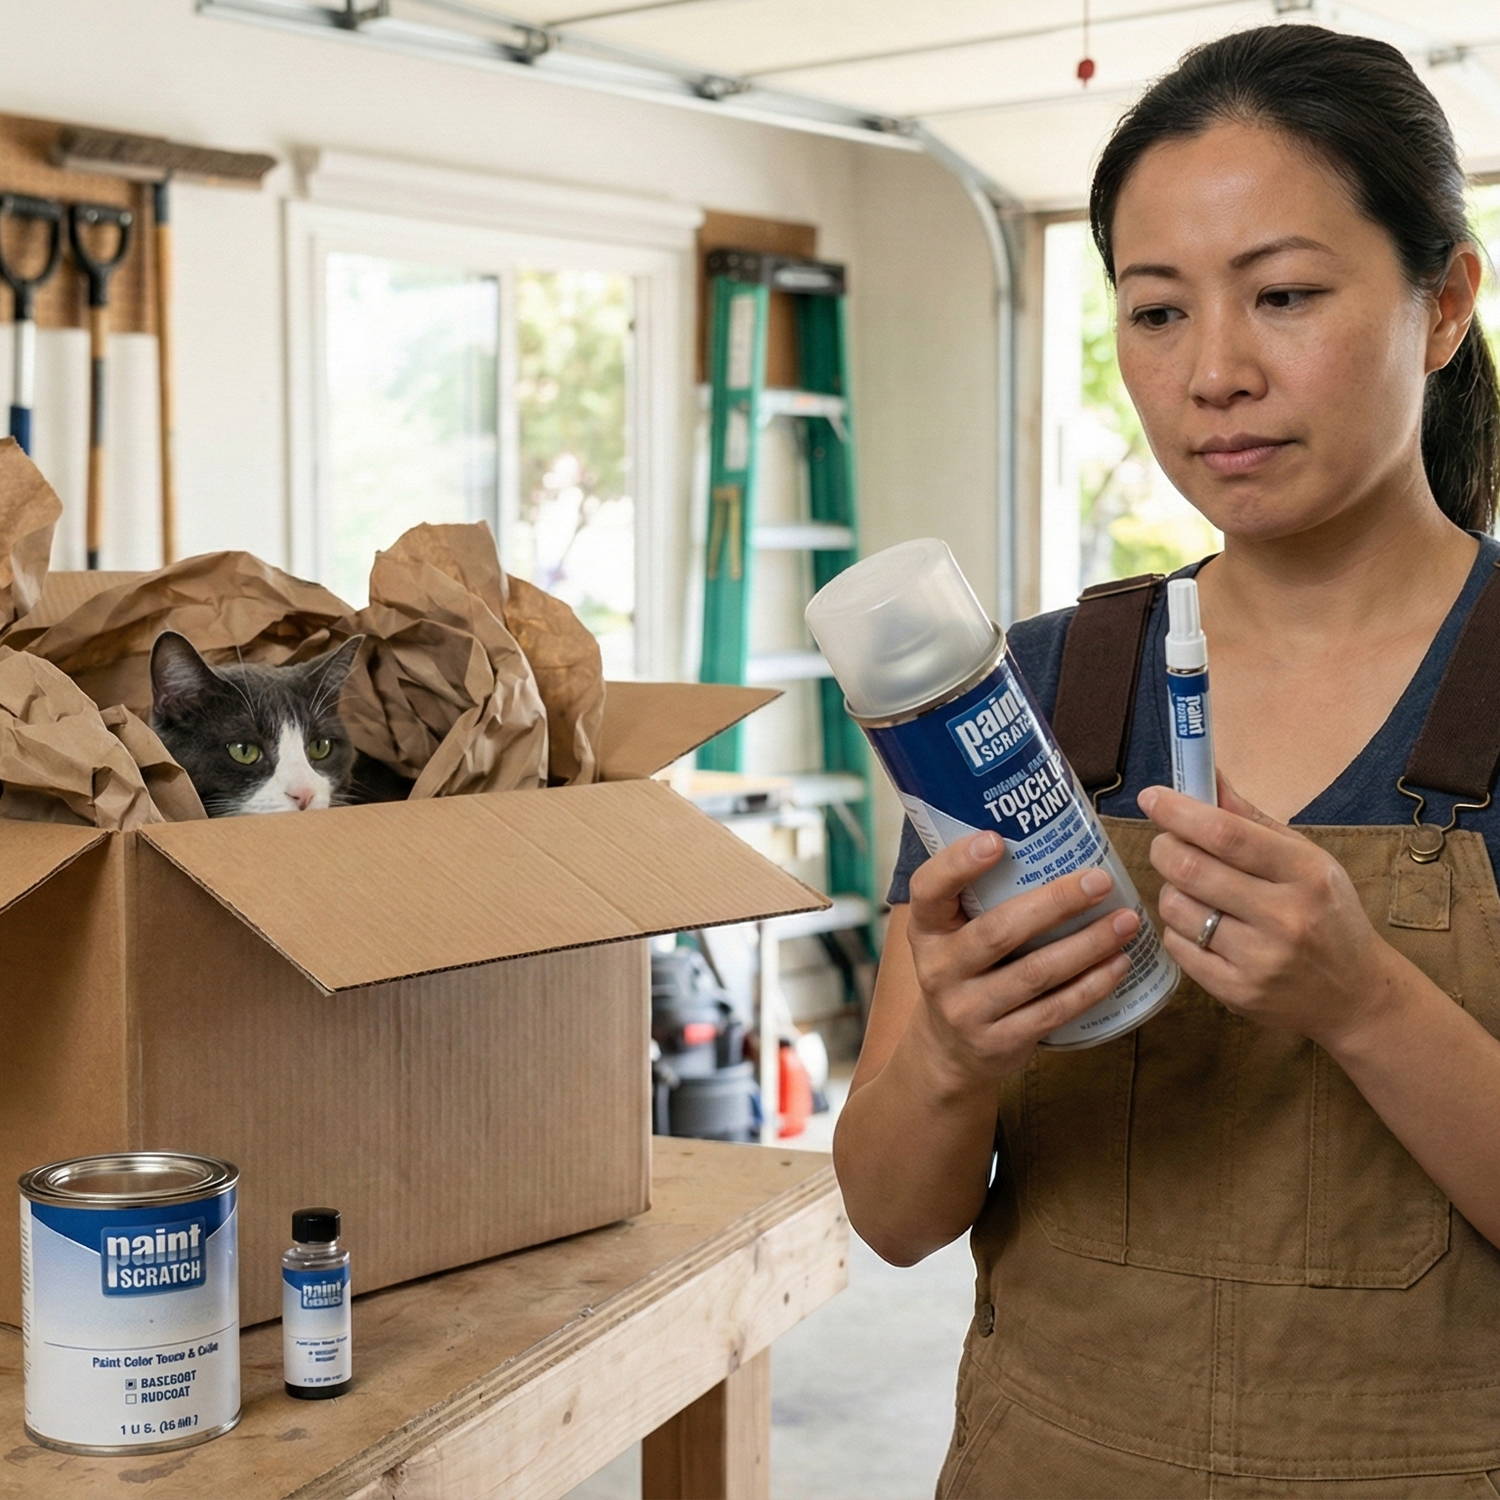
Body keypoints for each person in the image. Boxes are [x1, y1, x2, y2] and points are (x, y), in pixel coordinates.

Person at [834, 24, 1500, 1499]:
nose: (1214, 373)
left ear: (1443, 302)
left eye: (1284, 296)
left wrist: (1363, 997)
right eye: (1154, 311)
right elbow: (889, 1220)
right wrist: (946, 1055)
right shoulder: (1018, 700)